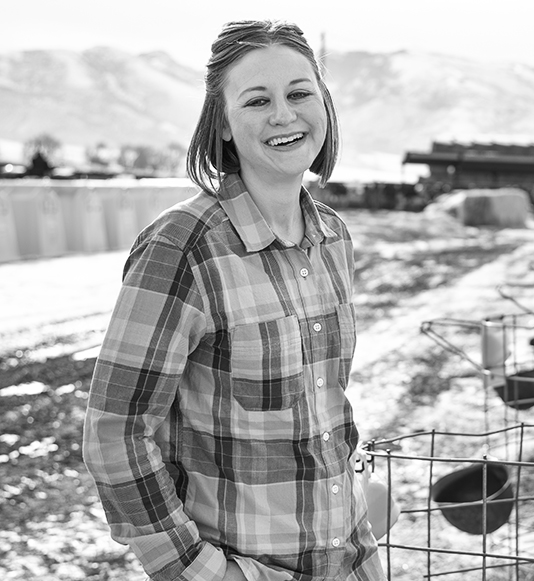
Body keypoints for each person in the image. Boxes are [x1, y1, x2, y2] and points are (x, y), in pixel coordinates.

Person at [83, 20, 387, 581]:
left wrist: (363, 556)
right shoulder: (184, 247)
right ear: (223, 123)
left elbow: (329, 423)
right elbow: (115, 431)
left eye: (300, 93)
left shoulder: (334, 239)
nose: (284, 115)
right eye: (257, 100)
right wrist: (195, 571)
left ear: (325, 104)